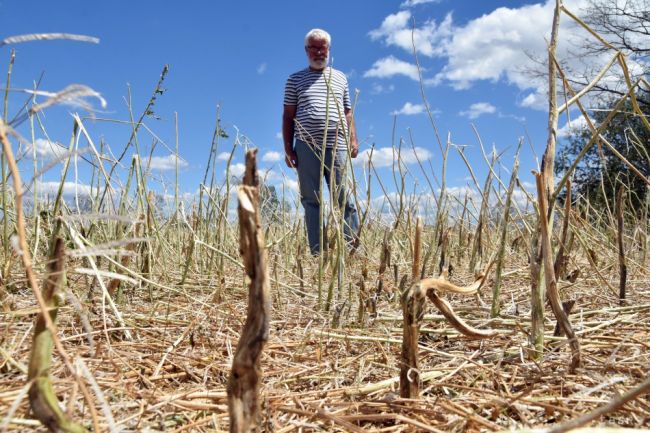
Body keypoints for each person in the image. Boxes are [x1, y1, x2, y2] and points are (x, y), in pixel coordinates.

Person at [283, 28, 359, 256]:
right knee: (312, 200)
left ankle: (352, 251)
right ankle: (318, 253)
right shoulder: (294, 79)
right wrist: (289, 148)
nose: (318, 52)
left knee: (344, 198)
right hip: (306, 146)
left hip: (338, 146)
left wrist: (353, 139)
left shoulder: (340, 77)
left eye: (322, 47)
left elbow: (347, 111)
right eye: (313, 47)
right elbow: (288, 115)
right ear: (306, 51)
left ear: (329, 49)